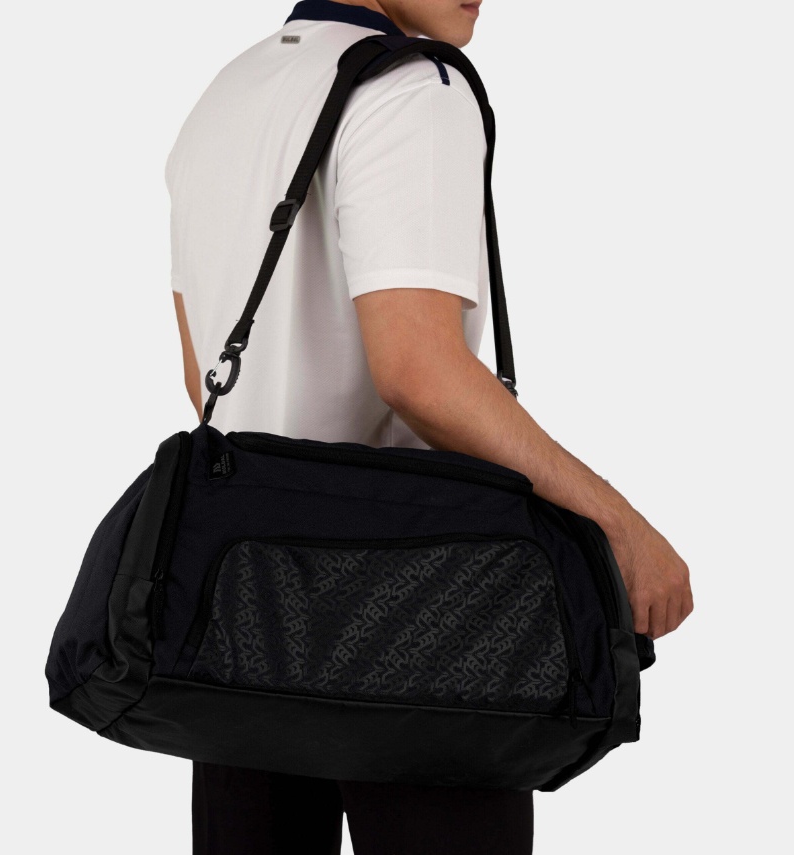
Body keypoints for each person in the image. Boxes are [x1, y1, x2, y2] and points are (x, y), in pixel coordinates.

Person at [166, 2, 694, 853]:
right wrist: (616, 525)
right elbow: (419, 372)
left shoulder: (230, 91)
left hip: (242, 611)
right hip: (410, 609)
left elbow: (205, 378)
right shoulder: (413, 88)